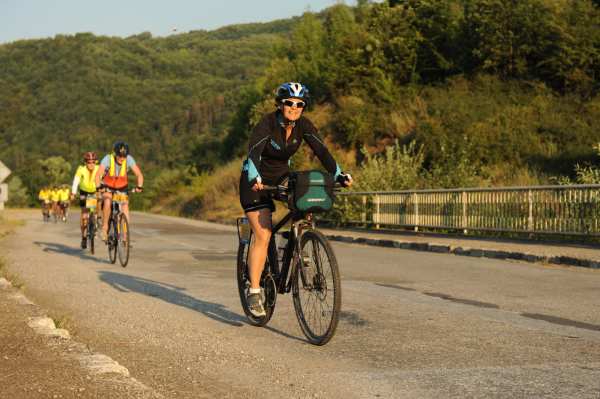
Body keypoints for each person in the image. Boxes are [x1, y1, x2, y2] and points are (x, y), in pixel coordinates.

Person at [239, 82, 353, 317]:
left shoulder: (303, 125)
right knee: (264, 233)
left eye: (299, 104)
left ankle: (299, 243)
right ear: (281, 104)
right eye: (289, 103)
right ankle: (255, 291)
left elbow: (322, 152)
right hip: (255, 180)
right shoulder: (267, 124)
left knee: (304, 200)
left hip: (281, 177)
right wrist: (254, 177)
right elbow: (253, 153)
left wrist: (338, 174)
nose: (294, 107)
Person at [95, 141, 144, 241]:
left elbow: (139, 174)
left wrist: (139, 186)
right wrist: (99, 187)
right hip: (107, 186)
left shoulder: (129, 159)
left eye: (124, 156)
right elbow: (97, 175)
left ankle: (125, 235)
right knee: (108, 201)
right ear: (115, 153)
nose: (122, 158)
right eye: (120, 156)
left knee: (125, 205)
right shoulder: (107, 159)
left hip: (122, 187)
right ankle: (105, 228)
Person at [71, 152, 100, 249]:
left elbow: (103, 179)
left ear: (96, 162)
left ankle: (95, 222)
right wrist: (74, 193)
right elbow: (76, 181)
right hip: (84, 192)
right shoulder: (81, 169)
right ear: (85, 162)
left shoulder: (99, 168)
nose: (91, 164)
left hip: (94, 191)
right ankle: (83, 236)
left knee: (95, 208)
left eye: (93, 162)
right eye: (89, 162)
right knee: (84, 215)